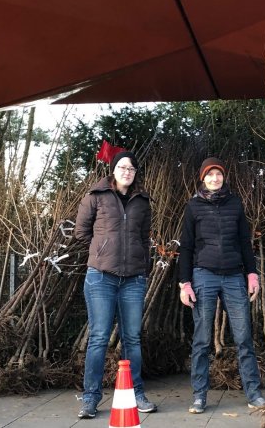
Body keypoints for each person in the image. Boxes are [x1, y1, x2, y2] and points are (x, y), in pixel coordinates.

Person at [177, 157, 265, 414]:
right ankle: (199, 396)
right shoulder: (193, 206)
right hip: (203, 274)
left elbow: (244, 242)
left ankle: (253, 393)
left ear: (223, 177)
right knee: (202, 339)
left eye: (218, 174)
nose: (215, 178)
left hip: (233, 276)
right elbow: (186, 247)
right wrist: (185, 283)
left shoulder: (235, 203)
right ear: (202, 178)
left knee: (243, 337)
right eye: (210, 174)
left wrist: (252, 274)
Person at [74, 151, 157, 418]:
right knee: (99, 337)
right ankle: (90, 398)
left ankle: (137, 394)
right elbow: (81, 231)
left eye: (131, 168)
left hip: (133, 278)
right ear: (113, 170)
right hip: (101, 276)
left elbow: (144, 237)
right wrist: (102, 250)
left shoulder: (142, 202)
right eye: (122, 167)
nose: (127, 172)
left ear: (135, 173)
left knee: (132, 338)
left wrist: (142, 264)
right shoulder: (96, 196)